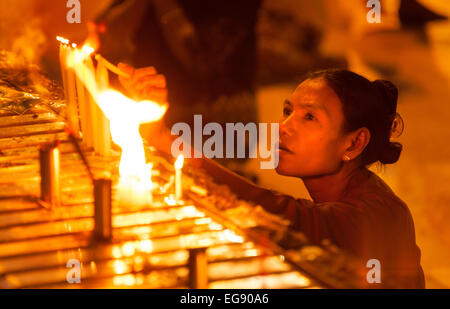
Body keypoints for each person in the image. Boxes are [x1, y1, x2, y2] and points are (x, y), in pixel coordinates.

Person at [118, 66, 425, 288]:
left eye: (309, 117)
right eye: (288, 111)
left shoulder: (379, 214)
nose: (284, 126)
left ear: (354, 143)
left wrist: (160, 136)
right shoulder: (351, 195)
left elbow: (276, 214)